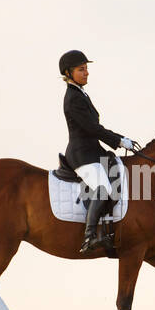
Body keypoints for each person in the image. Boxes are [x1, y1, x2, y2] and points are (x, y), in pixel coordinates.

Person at [59, 49, 137, 253]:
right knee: (102, 189)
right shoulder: (73, 98)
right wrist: (119, 140)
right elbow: (92, 129)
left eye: (86, 69)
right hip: (81, 154)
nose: (86, 73)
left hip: (93, 151)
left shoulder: (81, 94)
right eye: (81, 69)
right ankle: (89, 237)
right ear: (68, 73)